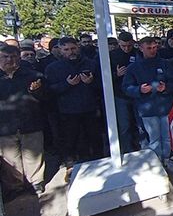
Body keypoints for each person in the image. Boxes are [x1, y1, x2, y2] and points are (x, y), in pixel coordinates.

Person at [123, 37, 173, 173]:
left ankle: (166, 159)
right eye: (149, 48)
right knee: (154, 138)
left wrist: (166, 87)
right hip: (147, 108)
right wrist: (139, 90)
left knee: (167, 137)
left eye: (155, 47)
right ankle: (156, 162)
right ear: (141, 48)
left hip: (165, 106)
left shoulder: (165, 63)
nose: (153, 50)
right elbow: (126, 87)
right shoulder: (133, 67)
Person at [45, 37, 103, 167]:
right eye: (66, 49)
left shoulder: (91, 63)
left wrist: (91, 82)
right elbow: (49, 90)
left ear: (78, 47)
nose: (71, 52)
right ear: (60, 50)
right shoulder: (53, 68)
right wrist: (67, 84)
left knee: (95, 139)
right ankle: (72, 166)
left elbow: (102, 85)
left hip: (90, 108)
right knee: (71, 140)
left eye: (73, 48)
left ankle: (99, 163)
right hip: (67, 111)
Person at [0, 45, 47, 199]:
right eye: (5, 57)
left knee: (33, 154)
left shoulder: (33, 75)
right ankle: (15, 186)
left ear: (18, 58)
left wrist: (36, 91)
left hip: (30, 121)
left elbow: (46, 97)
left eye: (13, 57)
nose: (9, 60)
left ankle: (36, 182)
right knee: (10, 158)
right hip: (5, 125)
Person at [110, 31, 139, 153]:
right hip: (120, 95)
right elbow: (103, 77)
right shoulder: (111, 55)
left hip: (137, 94)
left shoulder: (138, 54)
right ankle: (127, 150)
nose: (126, 48)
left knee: (139, 123)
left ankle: (139, 147)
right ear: (118, 44)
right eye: (123, 46)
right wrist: (116, 74)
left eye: (129, 46)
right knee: (124, 125)